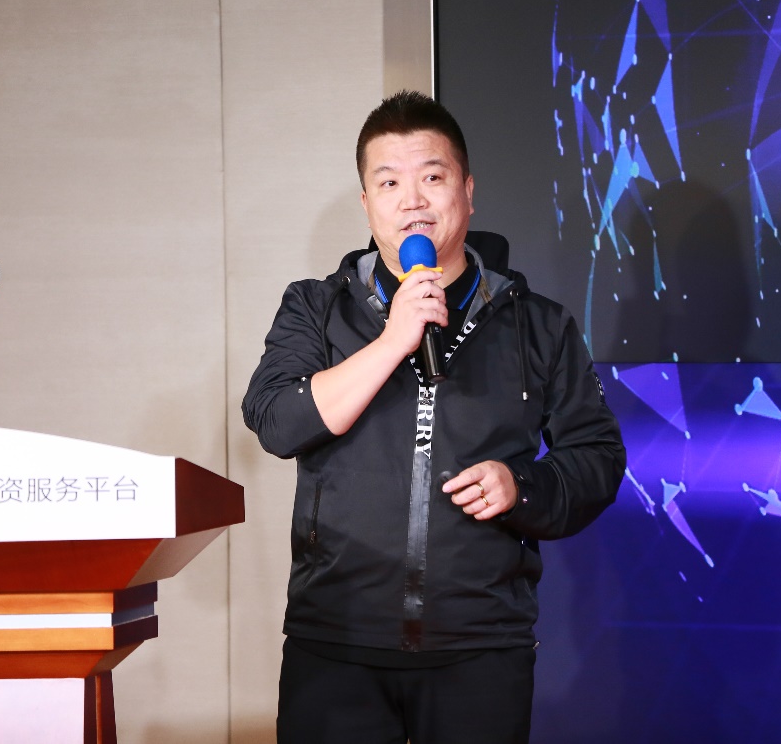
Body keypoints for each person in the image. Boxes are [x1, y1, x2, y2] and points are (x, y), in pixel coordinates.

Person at [242, 90, 626, 744]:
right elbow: (278, 420)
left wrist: (520, 486)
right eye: (389, 182)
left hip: (480, 645)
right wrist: (393, 340)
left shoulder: (538, 324)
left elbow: (597, 459)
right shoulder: (316, 308)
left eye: (432, 177)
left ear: (467, 192)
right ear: (367, 203)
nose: (412, 200)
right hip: (336, 641)